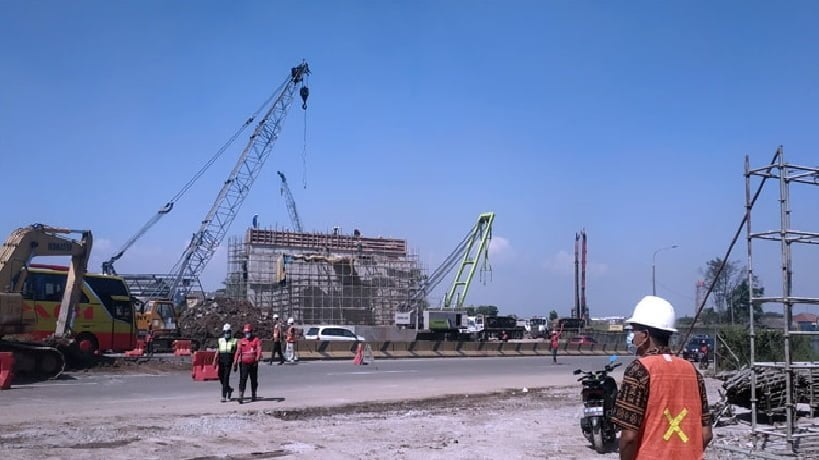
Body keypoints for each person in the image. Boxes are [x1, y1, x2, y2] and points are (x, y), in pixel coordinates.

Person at [612, 296, 713, 460]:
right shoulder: (691, 370)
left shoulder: (639, 369)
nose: (632, 336)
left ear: (644, 335)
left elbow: (629, 437)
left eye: (634, 331)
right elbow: (706, 433)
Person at [233, 323, 262, 403]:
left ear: (251, 332)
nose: (247, 334)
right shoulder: (241, 341)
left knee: (254, 379)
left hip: (253, 363)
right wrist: (235, 362)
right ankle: (241, 395)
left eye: (248, 332)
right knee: (243, 379)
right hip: (243, 363)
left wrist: (258, 358)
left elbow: (259, 349)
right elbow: (238, 352)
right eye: (245, 333)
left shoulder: (256, 340)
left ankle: (254, 394)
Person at [214, 323, 237, 402]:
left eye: (228, 332)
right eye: (225, 332)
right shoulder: (220, 340)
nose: (227, 333)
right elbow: (218, 351)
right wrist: (214, 360)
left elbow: (235, 353)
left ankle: (223, 396)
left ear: (230, 332)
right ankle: (229, 389)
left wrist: (235, 363)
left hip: (228, 362)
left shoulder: (234, 341)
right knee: (221, 377)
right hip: (221, 362)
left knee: (226, 378)